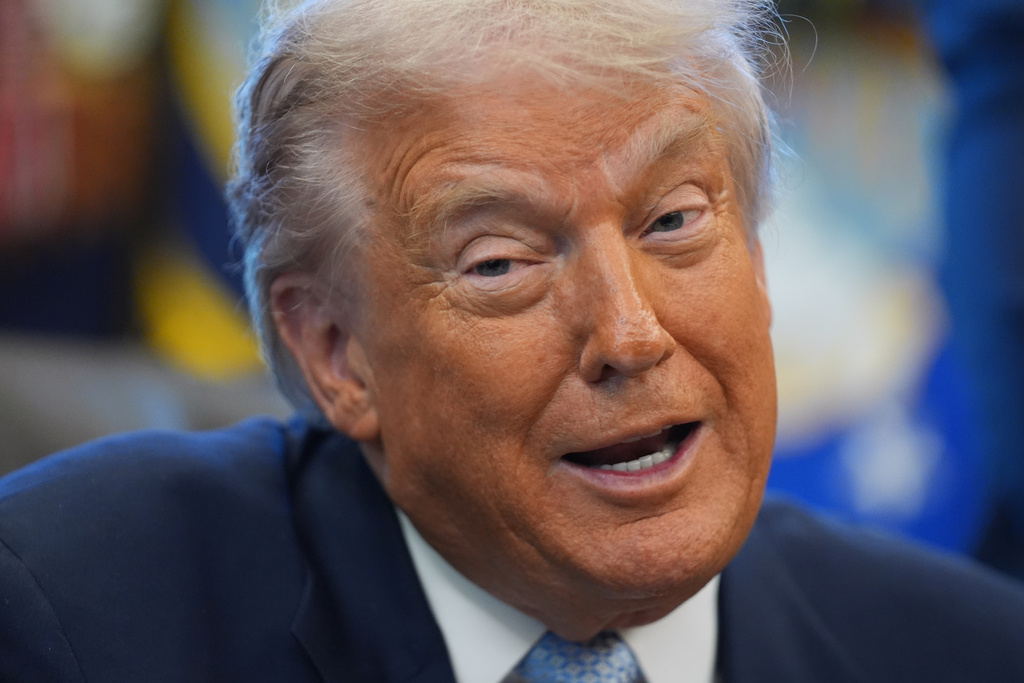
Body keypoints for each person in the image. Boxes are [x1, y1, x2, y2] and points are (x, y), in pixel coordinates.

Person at [1, 0, 1022, 681]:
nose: (629, 331)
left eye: (672, 221)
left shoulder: (961, 650)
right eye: (500, 263)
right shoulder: (69, 619)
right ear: (333, 349)